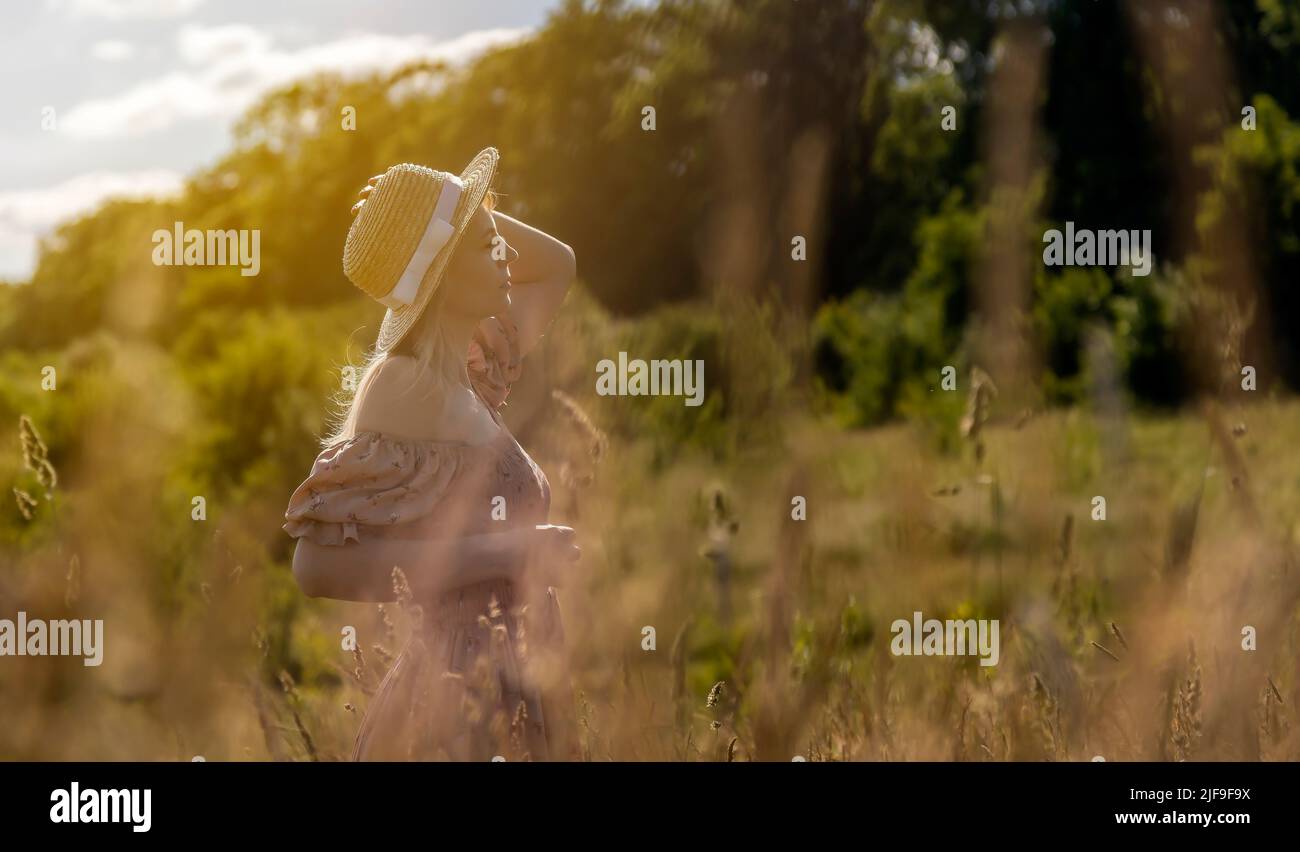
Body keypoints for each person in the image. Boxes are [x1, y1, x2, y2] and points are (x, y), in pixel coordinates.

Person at [282, 148, 580, 761]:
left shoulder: (476, 373)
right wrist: (508, 551)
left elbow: (557, 264)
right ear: (439, 272)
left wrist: (453, 204)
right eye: (483, 244)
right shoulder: (402, 384)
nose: (503, 254)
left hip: (518, 687)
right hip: (453, 703)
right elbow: (314, 567)